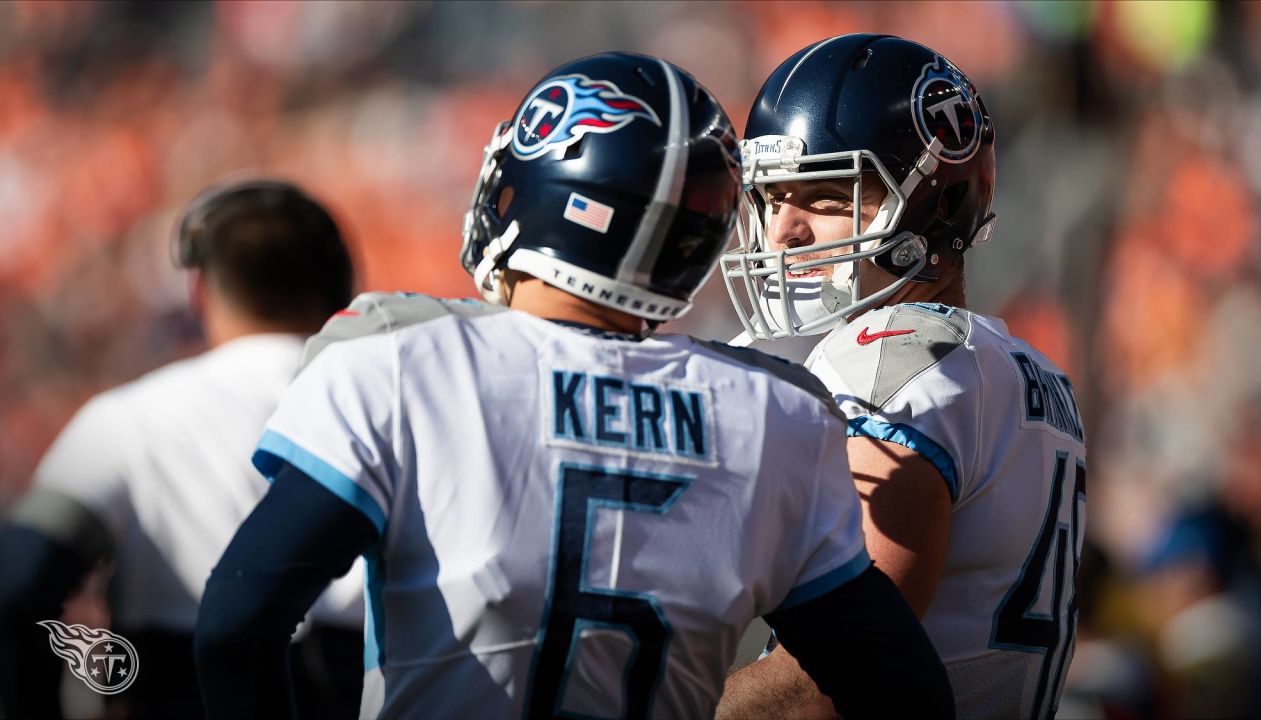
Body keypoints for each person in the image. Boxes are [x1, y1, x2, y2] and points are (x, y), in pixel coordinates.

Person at [193, 52, 952, 720]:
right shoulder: (774, 413)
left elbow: (237, 623)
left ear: (529, 188)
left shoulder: (400, 357)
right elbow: (905, 694)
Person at [717, 34, 1087, 720]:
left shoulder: (894, 359)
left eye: (824, 198)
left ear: (935, 205)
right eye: (772, 199)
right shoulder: (1029, 373)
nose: (781, 233)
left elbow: (825, 685)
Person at [0, 179, 366, 719]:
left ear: (199, 290)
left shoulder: (126, 419)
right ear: (343, 288)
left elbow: (17, 585)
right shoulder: (402, 410)